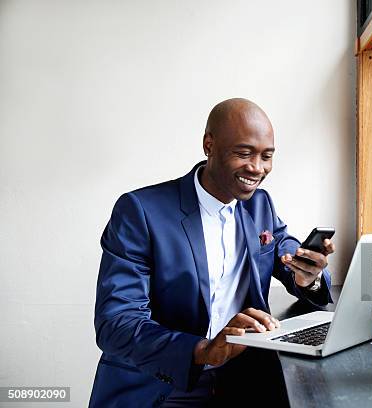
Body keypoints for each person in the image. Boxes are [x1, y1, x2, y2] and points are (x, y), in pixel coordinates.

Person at [89, 98, 334, 407]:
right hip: (162, 383)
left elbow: (285, 251)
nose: (257, 168)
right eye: (244, 153)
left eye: (266, 156)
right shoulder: (140, 211)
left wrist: (307, 274)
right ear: (209, 145)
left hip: (242, 378)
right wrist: (203, 350)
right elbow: (116, 322)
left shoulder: (260, 205)